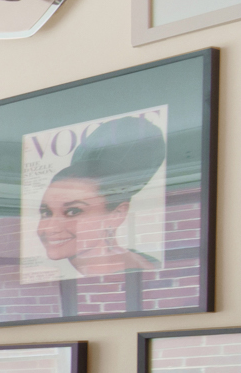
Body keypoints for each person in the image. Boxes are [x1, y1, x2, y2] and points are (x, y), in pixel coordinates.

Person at [36, 114, 165, 277]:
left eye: (73, 212)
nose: (50, 228)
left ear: (117, 214)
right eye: (46, 213)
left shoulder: (129, 278)